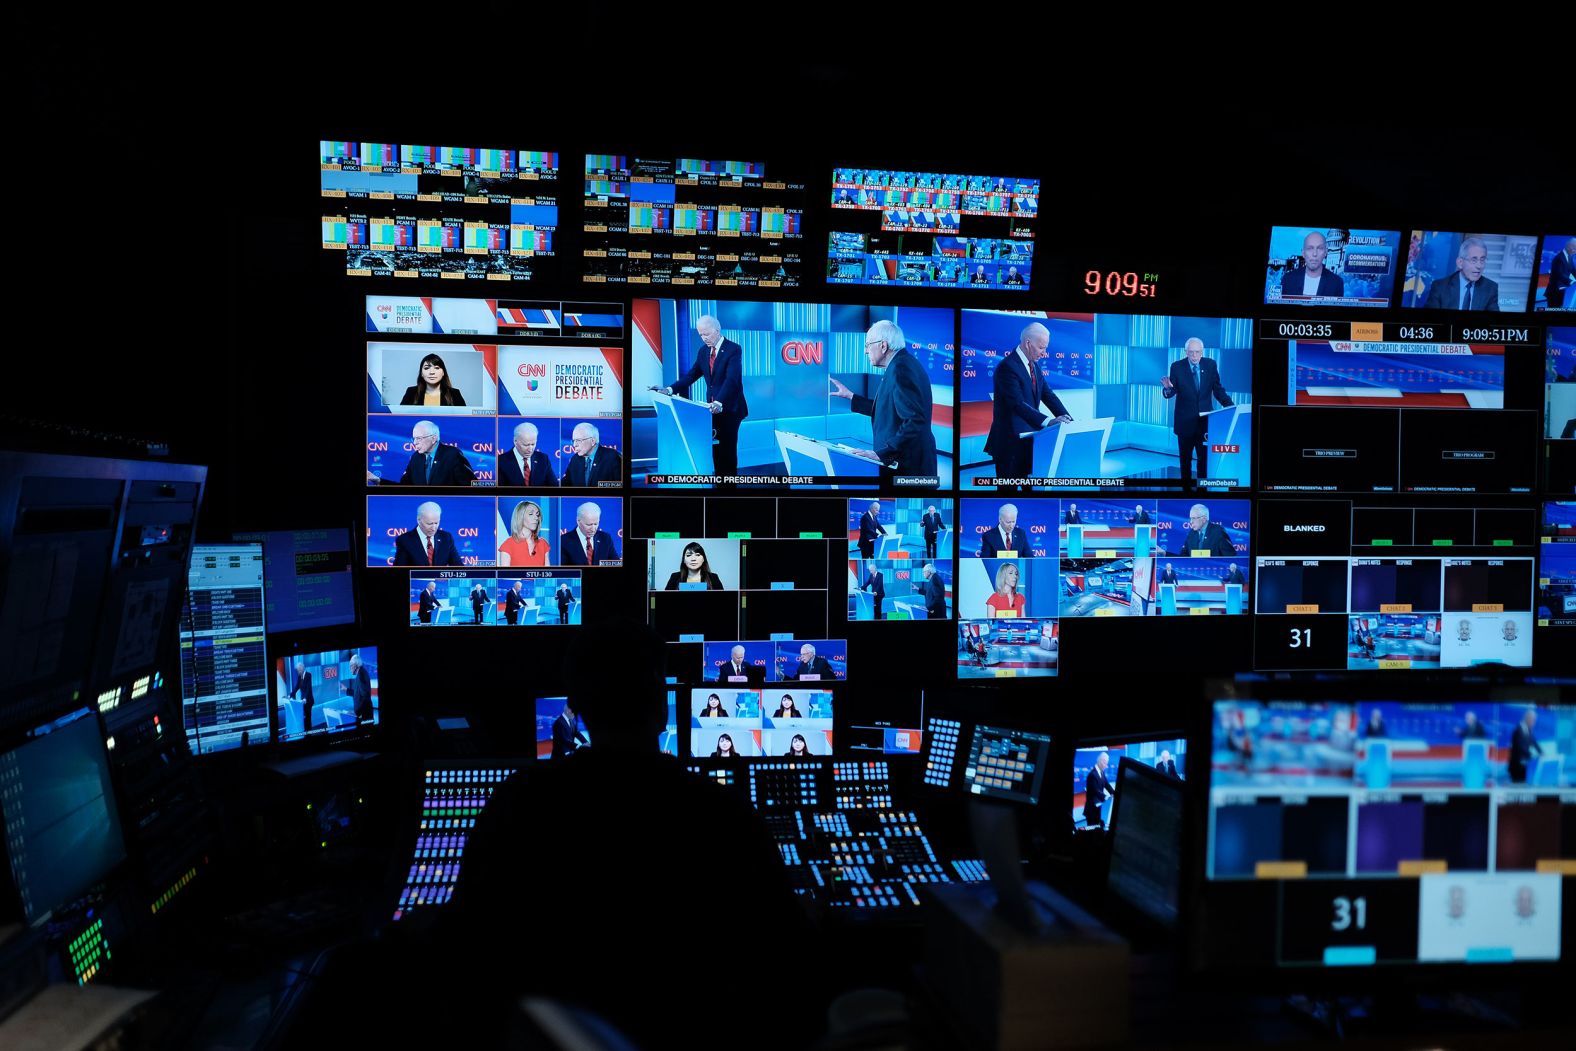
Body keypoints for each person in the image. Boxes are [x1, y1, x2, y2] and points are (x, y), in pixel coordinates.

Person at [439, 618, 817, 1050]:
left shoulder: (514, 805)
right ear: (661, 704)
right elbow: (786, 955)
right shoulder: (720, 811)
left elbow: (464, 953)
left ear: (576, 704)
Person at [829, 320, 938, 483]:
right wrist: (852, 397)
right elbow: (889, 409)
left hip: (908, 467)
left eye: (867, 345)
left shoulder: (901, 369)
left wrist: (883, 453)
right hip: (906, 463)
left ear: (883, 346)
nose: (866, 351)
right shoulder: (901, 364)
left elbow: (915, 420)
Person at [658, 314, 747, 480]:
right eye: (700, 335)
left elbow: (732, 380)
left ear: (717, 330)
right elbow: (691, 375)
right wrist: (670, 389)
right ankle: (720, 484)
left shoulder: (733, 349)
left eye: (706, 334)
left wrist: (720, 401)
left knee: (726, 452)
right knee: (715, 451)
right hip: (712, 410)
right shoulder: (703, 351)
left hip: (730, 409)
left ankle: (729, 490)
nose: (703, 338)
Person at [984, 322, 1071, 481]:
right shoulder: (1007, 367)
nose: (1044, 353)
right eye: (1041, 348)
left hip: (1030, 441)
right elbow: (1017, 404)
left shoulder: (1034, 366)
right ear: (1028, 343)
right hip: (1009, 443)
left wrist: (1069, 420)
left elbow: (1048, 395)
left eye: (1045, 348)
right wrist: (1049, 421)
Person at [1161, 337, 1233, 488]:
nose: (1194, 356)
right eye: (1191, 352)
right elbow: (1172, 390)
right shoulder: (1177, 367)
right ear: (1185, 352)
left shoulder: (1211, 365)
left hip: (1205, 424)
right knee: (1185, 462)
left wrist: (1232, 408)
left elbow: (1218, 390)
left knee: (1204, 461)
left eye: (1197, 352)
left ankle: (1203, 491)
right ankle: (1186, 491)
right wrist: (1167, 388)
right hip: (1185, 423)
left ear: (1202, 352)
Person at [378, 420, 476, 487]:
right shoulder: (416, 457)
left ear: (433, 439)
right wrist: (377, 480)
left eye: (419, 438)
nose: (415, 442)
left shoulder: (452, 454)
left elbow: (470, 486)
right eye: (414, 438)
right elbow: (404, 488)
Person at [1425, 236, 1500, 311]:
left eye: (1482, 260)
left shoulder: (1490, 288)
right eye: (1474, 260)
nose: (1479, 266)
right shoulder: (1440, 287)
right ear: (1460, 263)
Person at [1279, 230, 1346, 299]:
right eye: (1310, 248)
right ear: (1303, 253)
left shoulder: (1336, 283)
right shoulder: (1288, 279)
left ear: (1325, 252)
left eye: (1319, 248)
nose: (1314, 254)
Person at [394, 502, 463, 566]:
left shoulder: (446, 538)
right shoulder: (405, 540)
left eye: (436, 523)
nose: (433, 528)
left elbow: (458, 567)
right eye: (429, 523)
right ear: (419, 520)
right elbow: (400, 570)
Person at [497, 420, 556, 487]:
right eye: (526, 445)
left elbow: (554, 487)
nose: (530, 449)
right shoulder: (501, 461)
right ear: (515, 441)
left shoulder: (543, 459)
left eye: (533, 444)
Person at [563, 421, 622, 487]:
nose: (574, 445)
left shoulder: (612, 457)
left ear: (593, 441)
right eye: (573, 441)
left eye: (578, 440)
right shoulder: (575, 459)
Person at [559, 501, 618, 566]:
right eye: (589, 524)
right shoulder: (563, 541)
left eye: (596, 524)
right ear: (578, 521)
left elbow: (615, 564)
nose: (593, 529)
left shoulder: (606, 539)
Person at [399, 352, 467, 407]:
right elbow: (400, 417)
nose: (432, 372)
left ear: (443, 372)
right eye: (426, 368)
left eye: (437, 368)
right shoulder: (411, 392)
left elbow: (464, 420)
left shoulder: (455, 394)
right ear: (421, 373)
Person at [497, 499, 549, 567]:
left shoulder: (543, 544)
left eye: (537, 515)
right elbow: (505, 576)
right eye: (531, 514)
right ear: (520, 517)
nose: (536, 518)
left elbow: (548, 575)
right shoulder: (508, 545)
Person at [1508, 708, 1542, 784]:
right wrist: (1533, 755)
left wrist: (1542, 753)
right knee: (1518, 788)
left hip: (1524, 766)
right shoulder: (1518, 730)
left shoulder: (1528, 729)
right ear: (1528, 719)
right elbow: (1521, 748)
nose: (1534, 723)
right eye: (1533, 720)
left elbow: (1534, 742)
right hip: (1516, 767)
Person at [1083, 752, 1113, 828]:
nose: (1106, 766)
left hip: (1098, 806)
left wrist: (1115, 793)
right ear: (1101, 761)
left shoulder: (1102, 772)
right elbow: (1096, 791)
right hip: (1091, 809)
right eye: (1106, 763)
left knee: (1097, 829)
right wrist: (1107, 797)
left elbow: (1107, 785)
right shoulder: (1092, 775)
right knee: (1092, 831)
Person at [341, 653, 372, 723]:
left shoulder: (361, 675)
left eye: (350, 666)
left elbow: (365, 696)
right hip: (363, 714)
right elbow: (358, 693)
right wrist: (346, 689)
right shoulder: (361, 673)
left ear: (355, 666)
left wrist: (359, 712)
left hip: (364, 715)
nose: (350, 669)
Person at [1547, 237, 1576, 310]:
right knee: (1553, 308)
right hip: (1554, 291)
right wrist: (1572, 281)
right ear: (1568, 245)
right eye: (1574, 246)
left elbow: (1573, 270)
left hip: (1561, 289)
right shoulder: (1558, 258)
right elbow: (1559, 275)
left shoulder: (1569, 257)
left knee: (1559, 307)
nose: (1575, 250)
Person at [290, 661, 314, 735]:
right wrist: (290, 695)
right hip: (302, 702)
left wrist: (305, 698)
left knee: (308, 718)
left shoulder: (308, 675)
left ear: (302, 668)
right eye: (297, 670)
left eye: (298, 670)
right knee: (304, 718)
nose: (298, 671)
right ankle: (306, 732)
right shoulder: (299, 676)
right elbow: (297, 687)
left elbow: (308, 689)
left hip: (308, 701)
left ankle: (309, 733)